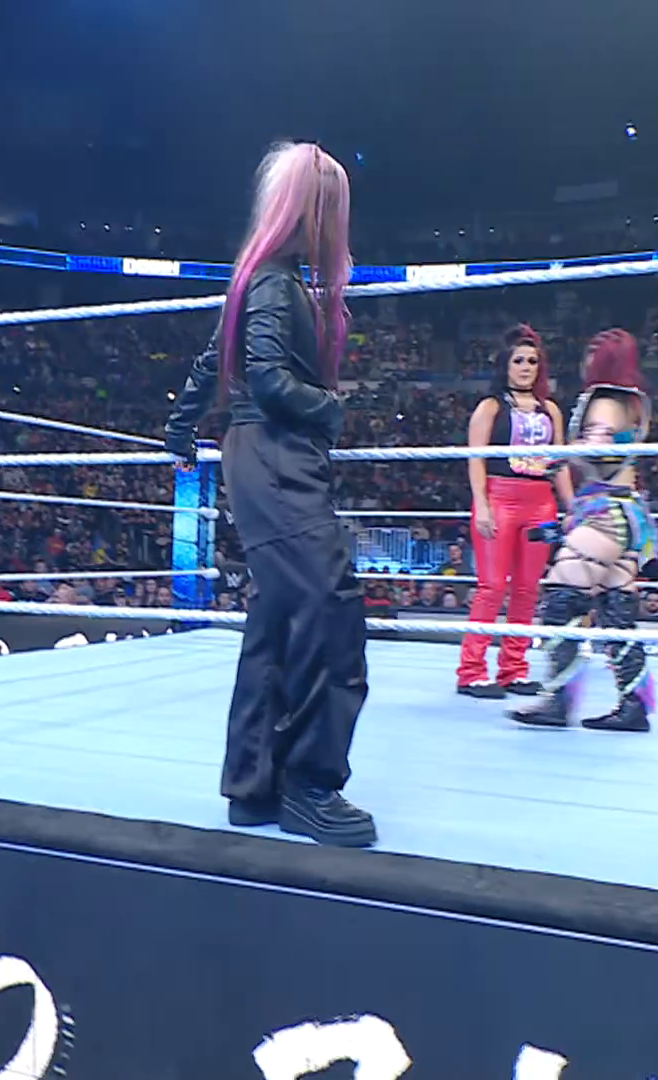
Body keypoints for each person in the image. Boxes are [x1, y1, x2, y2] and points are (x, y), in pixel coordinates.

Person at [161, 141, 374, 848]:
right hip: (275, 453)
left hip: (265, 455)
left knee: (278, 617)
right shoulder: (276, 283)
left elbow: (211, 359)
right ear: (314, 212)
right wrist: (331, 407)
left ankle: (252, 785)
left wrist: (180, 427)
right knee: (329, 606)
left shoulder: (261, 277)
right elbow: (269, 380)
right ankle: (309, 784)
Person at [510, 329, 658, 733]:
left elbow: (602, 452)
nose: (586, 358)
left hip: (604, 513)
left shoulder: (606, 401)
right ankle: (633, 705)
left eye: (594, 352)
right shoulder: (633, 401)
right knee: (615, 612)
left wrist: (559, 456)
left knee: (561, 596)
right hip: (627, 511)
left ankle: (559, 698)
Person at [458, 324, 571, 698]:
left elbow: (559, 462)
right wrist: (482, 505)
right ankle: (471, 671)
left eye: (532, 361)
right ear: (505, 365)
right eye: (519, 360)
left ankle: (514, 669)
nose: (526, 367)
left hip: (541, 501)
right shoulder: (490, 407)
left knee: (527, 589)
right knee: (492, 586)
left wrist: (573, 507)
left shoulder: (550, 410)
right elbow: (476, 459)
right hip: (500, 497)